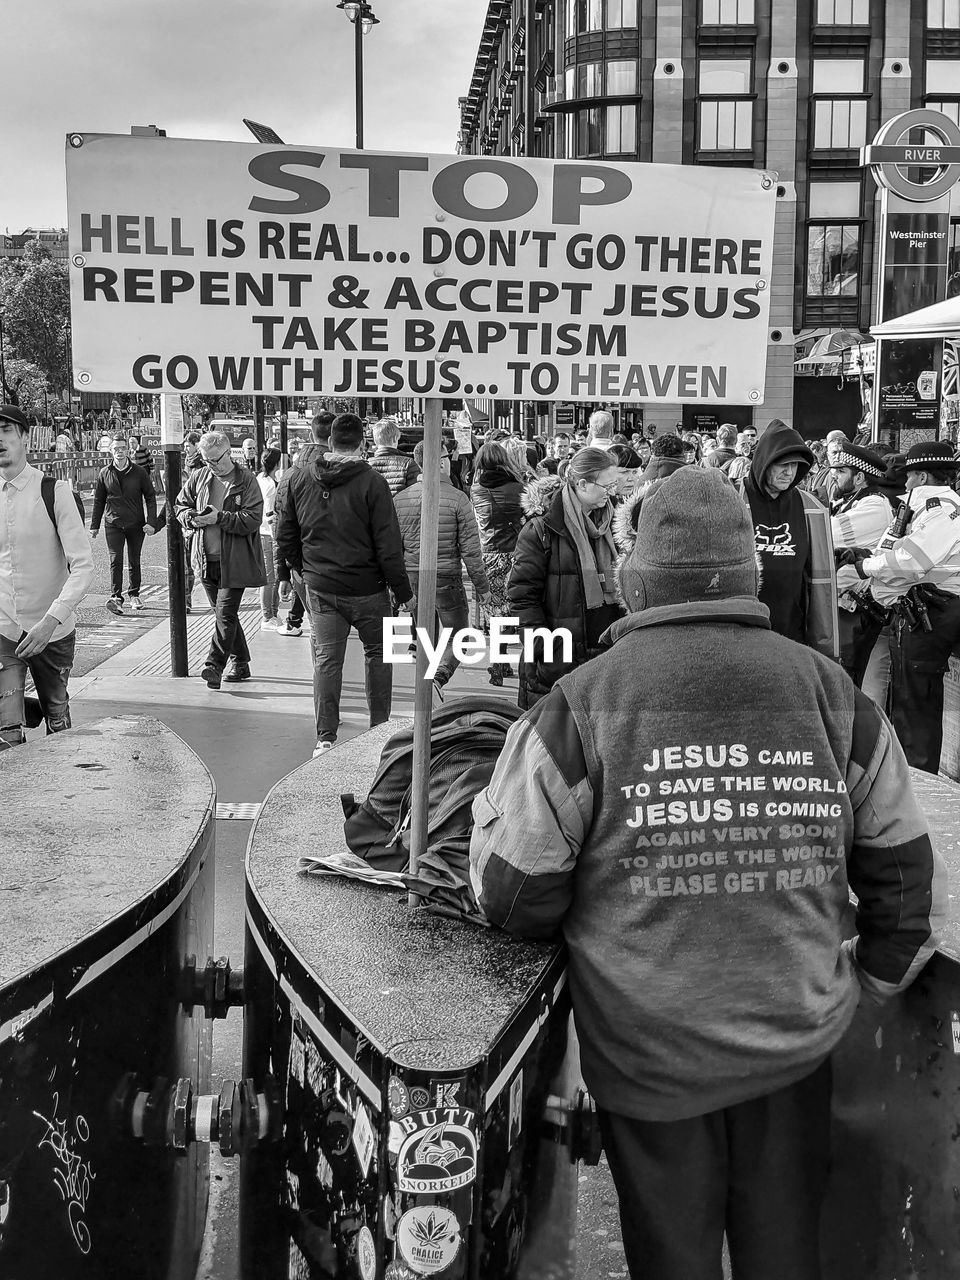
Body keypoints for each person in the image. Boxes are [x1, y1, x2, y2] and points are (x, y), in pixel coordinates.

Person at [470, 465, 948, 1280]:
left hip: (648, 1058)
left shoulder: (582, 704)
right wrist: (859, 985)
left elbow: (514, 888)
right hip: (796, 1048)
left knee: (671, 1258)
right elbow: (902, 874)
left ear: (636, 581)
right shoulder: (832, 694)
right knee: (785, 1253)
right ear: (752, 576)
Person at [276, 412, 412, 757]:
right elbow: (388, 544)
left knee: (327, 660)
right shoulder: (373, 483)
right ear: (363, 444)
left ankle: (325, 737)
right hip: (369, 588)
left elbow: (284, 533)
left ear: (329, 442)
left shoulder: (299, 478)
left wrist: (301, 569)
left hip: (321, 586)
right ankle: (379, 728)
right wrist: (403, 591)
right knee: (380, 655)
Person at [853, 441, 960, 773]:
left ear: (923, 476)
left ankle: (919, 783)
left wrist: (866, 567)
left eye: (909, 476)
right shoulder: (926, 506)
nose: (904, 484)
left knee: (917, 709)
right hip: (922, 611)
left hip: (933, 612)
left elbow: (910, 561)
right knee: (909, 704)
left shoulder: (940, 509)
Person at [0, 403, 94, 748]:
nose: (0, 439)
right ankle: (17, 799)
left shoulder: (54, 492)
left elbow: (83, 566)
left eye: (7, 430)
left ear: (25, 437)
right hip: (4, 629)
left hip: (51, 631)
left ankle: (58, 793)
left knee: (58, 720)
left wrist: (50, 621)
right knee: (5, 732)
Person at [508, 447, 624, 709]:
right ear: (582, 484)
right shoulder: (541, 530)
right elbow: (521, 596)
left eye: (613, 485)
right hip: (558, 662)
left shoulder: (616, 526)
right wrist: (545, 647)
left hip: (607, 657)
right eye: (606, 485)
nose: (611, 492)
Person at [394, 441, 491, 694]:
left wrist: (397, 585)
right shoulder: (458, 499)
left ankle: (425, 685)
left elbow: (393, 547)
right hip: (446, 574)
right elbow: (471, 550)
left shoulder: (401, 499)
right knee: (460, 636)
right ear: (440, 461)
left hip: (413, 574)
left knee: (425, 634)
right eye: (448, 456)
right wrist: (482, 587)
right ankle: (437, 678)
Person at [175, 430, 265, 691]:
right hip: (204, 558)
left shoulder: (246, 480)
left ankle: (214, 664)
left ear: (229, 452)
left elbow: (252, 519)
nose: (211, 465)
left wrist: (220, 518)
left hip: (234, 560)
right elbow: (180, 505)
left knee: (225, 614)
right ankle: (241, 662)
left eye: (215, 459)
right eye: (206, 460)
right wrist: (191, 517)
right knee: (225, 615)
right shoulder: (200, 476)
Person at [742, 419, 838, 659]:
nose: (789, 472)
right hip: (741, 633)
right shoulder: (733, 500)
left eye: (795, 465)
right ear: (764, 463)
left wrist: (825, 649)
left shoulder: (810, 507)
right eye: (782, 464)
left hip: (792, 636)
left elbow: (821, 584)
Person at [829, 442, 895, 688]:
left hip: (857, 611)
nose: (834, 474)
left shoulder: (873, 506)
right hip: (846, 609)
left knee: (847, 684)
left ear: (859, 478)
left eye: (842, 470)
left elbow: (828, 534)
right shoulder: (855, 502)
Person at [272, 411, 336, 637]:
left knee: (321, 634)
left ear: (312, 433)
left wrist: (285, 571)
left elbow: (280, 527)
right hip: (340, 564)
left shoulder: (290, 474)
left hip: (302, 565)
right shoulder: (345, 471)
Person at [471, 441, 526, 686]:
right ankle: (504, 662)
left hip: (489, 554)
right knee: (514, 607)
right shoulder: (519, 487)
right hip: (516, 553)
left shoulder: (476, 490)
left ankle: (498, 662)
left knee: (495, 612)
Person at [90, 434, 158, 615]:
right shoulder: (105, 472)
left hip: (136, 523)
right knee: (115, 560)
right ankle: (116, 597)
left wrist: (152, 522)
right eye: (115, 449)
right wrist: (94, 525)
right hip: (113, 523)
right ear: (110, 451)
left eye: (122, 448)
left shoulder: (139, 472)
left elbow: (150, 497)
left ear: (127, 450)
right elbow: (99, 500)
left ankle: (134, 594)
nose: (119, 452)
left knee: (134, 559)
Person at [257, 448, 283, 630]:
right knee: (269, 577)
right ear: (277, 463)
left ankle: (272, 613)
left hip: (263, 532)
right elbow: (268, 512)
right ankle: (267, 616)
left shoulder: (261, 479)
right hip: (268, 534)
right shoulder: (271, 485)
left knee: (271, 576)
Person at [368, 418, 418, 495]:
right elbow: (414, 494)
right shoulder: (408, 464)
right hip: (399, 506)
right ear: (395, 439)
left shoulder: (366, 465)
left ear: (375, 440)